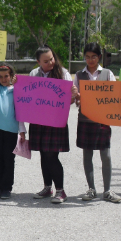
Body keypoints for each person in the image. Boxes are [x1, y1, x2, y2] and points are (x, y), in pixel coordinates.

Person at [74, 42, 121, 203]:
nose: (90, 60)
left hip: (102, 120)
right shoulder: (79, 75)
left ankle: (107, 190)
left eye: (93, 56)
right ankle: (91, 189)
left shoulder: (108, 74)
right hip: (85, 119)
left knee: (105, 155)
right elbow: (74, 99)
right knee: (87, 154)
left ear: (99, 57)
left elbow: (116, 96)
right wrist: (77, 96)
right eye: (87, 57)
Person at [29, 46, 78, 204]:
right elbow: (26, 96)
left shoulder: (63, 73)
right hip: (39, 120)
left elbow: (69, 101)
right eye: (46, 61)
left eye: (51, 58)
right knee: (43, 154)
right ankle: (47, 187)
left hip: (55, 120)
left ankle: (60, 190)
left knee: (51, 155)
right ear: (38, 62)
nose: (50, 62)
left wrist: (74, 95)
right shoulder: (33, 74)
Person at [0, 61, 26, 199]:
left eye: (6, 76)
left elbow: (20, 113)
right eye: (1, 76)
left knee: (8, 159)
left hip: (11, 131)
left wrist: (22, 130)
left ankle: (7, 188)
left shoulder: (17, 91)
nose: (3, 79)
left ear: (12, 76)